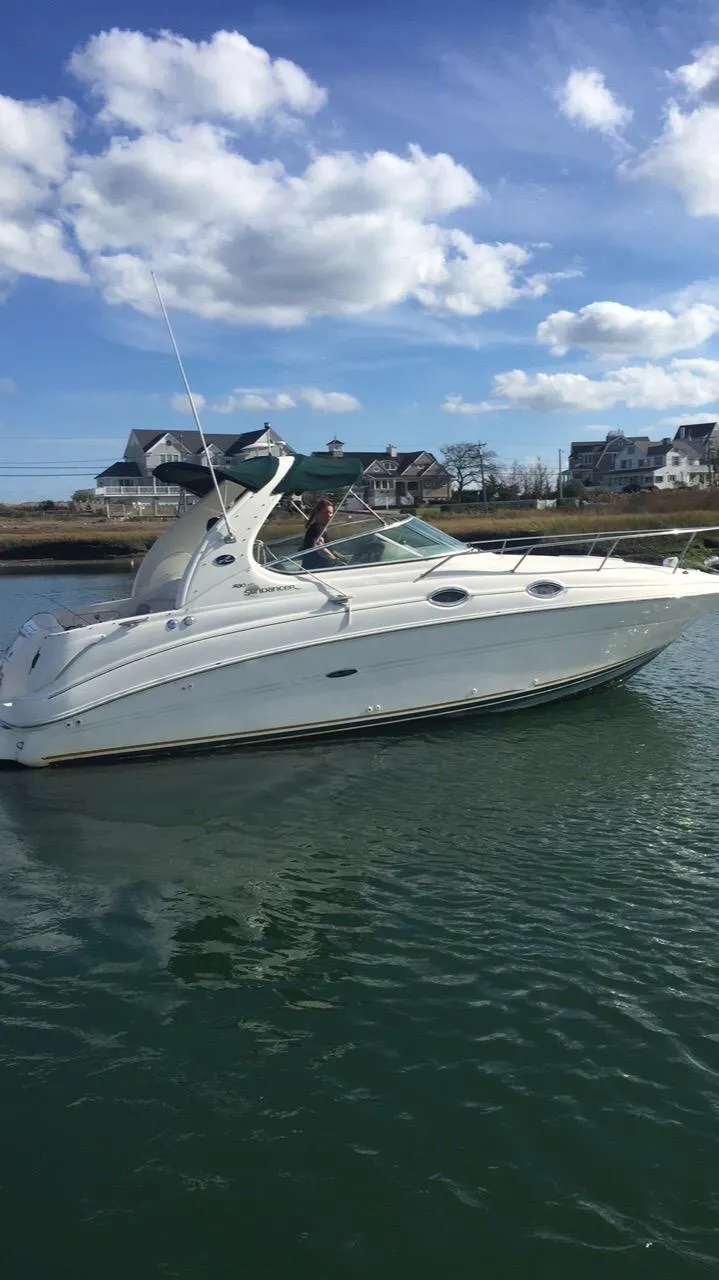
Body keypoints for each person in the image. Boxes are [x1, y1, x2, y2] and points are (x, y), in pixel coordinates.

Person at [300, 499, 339, 569]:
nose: (330, 515)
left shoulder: (316, 528)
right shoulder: (317, 529)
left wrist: (337, 556)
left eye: (331, 513)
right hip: (316, 571)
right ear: (318, 513)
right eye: (326, 512)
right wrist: (336, 560)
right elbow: (320, 549)